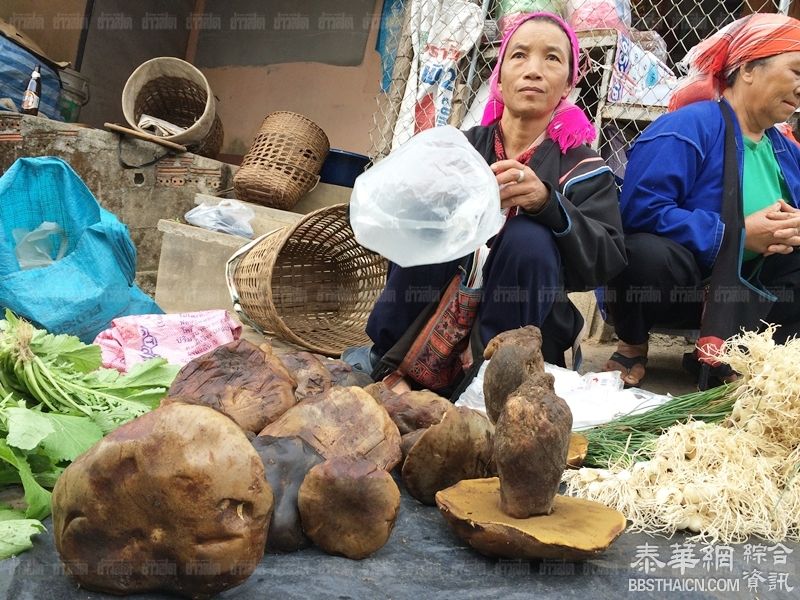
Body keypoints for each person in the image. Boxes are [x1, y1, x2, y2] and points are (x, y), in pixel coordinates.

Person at [344, 12, 626, 396]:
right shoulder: (461, 148)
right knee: (431, 220)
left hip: (528, 324)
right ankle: (389, 360)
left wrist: (548, 204)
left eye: (552, 59)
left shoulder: (583, 167)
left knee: (529, 238)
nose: (534, 70)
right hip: (432, 313)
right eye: (520, 55)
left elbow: (607, 257)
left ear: (568, 85)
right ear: (499, 77)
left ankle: (489, 387)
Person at [605, 13, 800, 388]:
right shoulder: (687, 128)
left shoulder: (785, 150)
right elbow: (640, 211)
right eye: (795, 71)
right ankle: (632, 343)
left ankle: (741, 355)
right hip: (686, 290)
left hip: (750, 292)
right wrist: (737, 234)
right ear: (747, 68)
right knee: (643, 253)